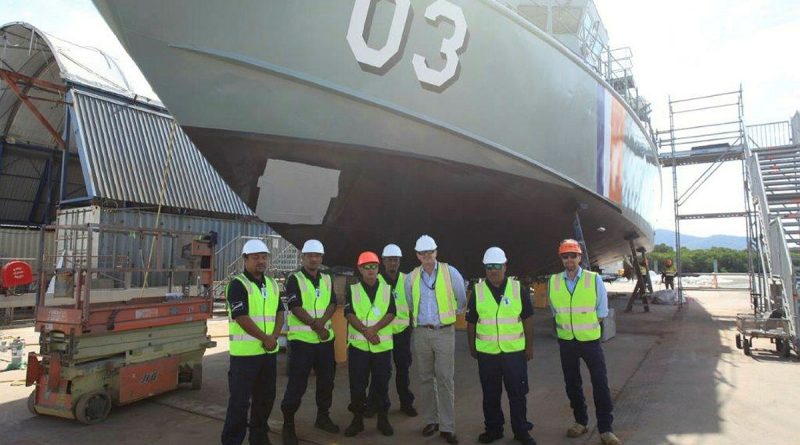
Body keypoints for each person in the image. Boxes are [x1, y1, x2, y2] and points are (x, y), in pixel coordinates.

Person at [549, 239, 621, 445]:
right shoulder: (554, 281)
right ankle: (580, 421)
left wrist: (586, 327)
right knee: (572, 384)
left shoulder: (593, 279)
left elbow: (601, 311)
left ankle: (606, 429)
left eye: (573, 255)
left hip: (590, 341)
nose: (569, 259)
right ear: (561, 258)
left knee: (600, 383)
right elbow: (555, 311)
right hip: (566, 342)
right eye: (565, 256)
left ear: (580, 257)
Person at [466, 247, 536, 445]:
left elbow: (528, 319)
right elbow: (471, 322)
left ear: (505, 267)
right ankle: (494, 429)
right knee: (490, 395)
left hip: (514, 353)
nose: (493, 270)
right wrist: (472, 347)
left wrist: (529, 347)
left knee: (518, 394)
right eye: (489, 267)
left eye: (497, 266)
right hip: (487, 354)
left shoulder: (518, 289)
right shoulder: (478, 292)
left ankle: (521, 430)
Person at [405, 234, 467, 444]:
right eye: (423, 253)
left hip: (443, 332)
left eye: (430, 252)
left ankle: (447, 426)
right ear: (417, 255)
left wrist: (447, 318)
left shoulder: (451, 273)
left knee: (445, 379)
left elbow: (461, 299)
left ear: (436, 252)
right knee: (424, 378)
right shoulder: (411, 277)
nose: (427, 256)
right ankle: (431, 420)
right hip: (421, 332)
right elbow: (409, 303)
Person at [221, 239, 284, 445]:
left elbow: (280, 313)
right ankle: (232, 441)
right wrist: (266, 338)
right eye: (256, 257)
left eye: (264, 257)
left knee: (265, 399)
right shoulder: (238, 284)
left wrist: (274, 336)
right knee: (239, 402)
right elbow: (241, 317)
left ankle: (259, 438)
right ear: (245, 259)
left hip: (267, 353)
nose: (261, 261)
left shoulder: (273, 284)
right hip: (245, 356)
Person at [280, 239, 339, 445]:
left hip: (324, 342)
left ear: (321, 258)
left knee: (326, 382)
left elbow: (333, 302)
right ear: (303, 257)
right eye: (310, 255)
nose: (314, 259)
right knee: (297, 384)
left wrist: (322, 324)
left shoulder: (327, 278)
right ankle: (288, 425)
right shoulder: (293, 278)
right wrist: (317, 325)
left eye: (317, 256)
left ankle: (323, 416)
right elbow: (295, 306)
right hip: (302, 342)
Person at [343, 251, 397, 437]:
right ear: (360, 269)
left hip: (381, 347)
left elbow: (391, 313)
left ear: (378, 268)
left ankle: (383, 419)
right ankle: (357, 421)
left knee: (381, 384)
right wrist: (367, 331)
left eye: (373, 266)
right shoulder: (353, 289)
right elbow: (349, 314)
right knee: (357, 385)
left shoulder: (387, 288)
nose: (371, 270)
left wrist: (374, 330)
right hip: (359, 348)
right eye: (367, 267)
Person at [365, 243, 417, 417]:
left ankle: (405, 403)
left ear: (400, 261)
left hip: (402, 331)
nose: (393, 263)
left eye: (395, 260)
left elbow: (412, 304)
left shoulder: (407, 280)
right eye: (389, 260)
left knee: (403, 369)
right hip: (382, 332)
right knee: (380, 371)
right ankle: (373, 404)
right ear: (383, 261)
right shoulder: (376, 281)